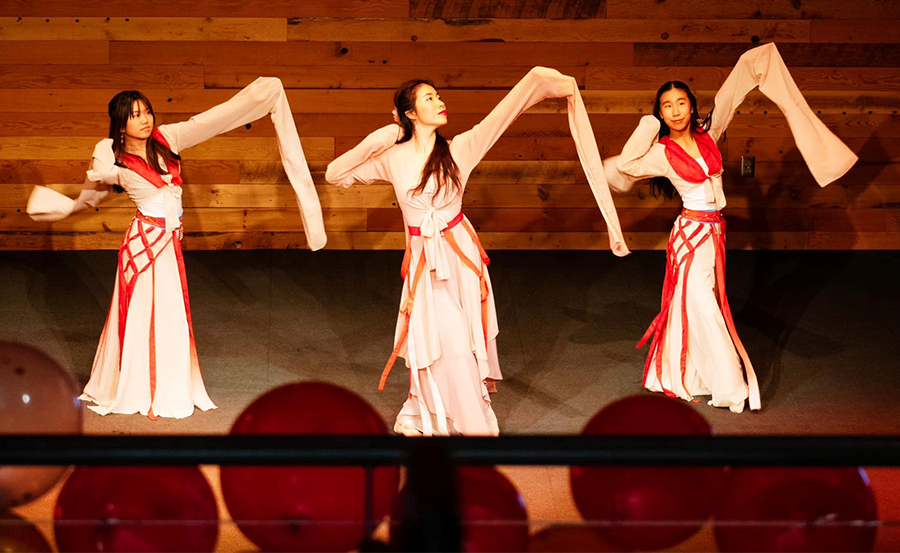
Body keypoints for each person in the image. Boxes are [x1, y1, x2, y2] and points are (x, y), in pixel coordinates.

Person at [326, 67, 628, 436]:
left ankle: (468, 423)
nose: (440, 102)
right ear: (409, 113)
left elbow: (504, 114)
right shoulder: (393, 156)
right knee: (439, 338)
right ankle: (442, 416)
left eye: (439, 96)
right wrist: (383, 136)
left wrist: (539, 82)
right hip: (424, 261)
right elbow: (335, 173)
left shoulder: (459, 148)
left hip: (460, 257)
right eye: (429, 98)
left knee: (460, 339)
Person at [27, 77, 326, 419]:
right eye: (135, 114)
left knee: (171, 317)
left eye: (147, 111)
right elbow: (90, 196)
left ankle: (167, 385)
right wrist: (65, 206)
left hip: (168, 246)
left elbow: (213, 120)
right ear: (120, 123)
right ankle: (138, 387)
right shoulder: (114, 158)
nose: (145, 119)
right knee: (142, 317)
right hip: (144, 247)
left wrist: (258, 97)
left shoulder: (167, 138)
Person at [606, 43, 857, 413]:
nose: (675, 111)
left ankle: (686, 375)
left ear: (692, 105)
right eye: (666, 106)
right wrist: (647, 126)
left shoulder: (710, 132)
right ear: (659, 113)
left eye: (680, 103)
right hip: (689, 239)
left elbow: (741, 79)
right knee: (705, 308)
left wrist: (758, 66)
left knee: (695, 307)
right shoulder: (660, 152)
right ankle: (728, 385)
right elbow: (627, 164)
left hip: (714, 236)